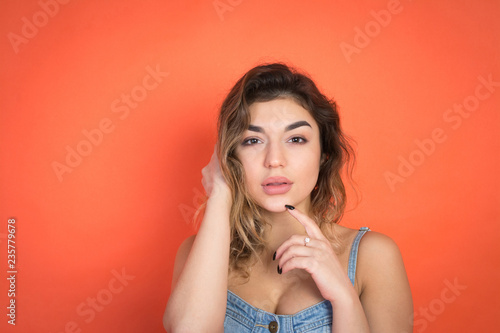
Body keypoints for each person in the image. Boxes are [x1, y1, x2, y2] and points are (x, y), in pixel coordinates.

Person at [163, 63, 413, 332]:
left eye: (295, 139)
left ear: (323, 155)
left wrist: (344, 297)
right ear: (230, 158)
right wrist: (220, 193)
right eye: (252, 140)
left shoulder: (373, 257)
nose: (274, 161)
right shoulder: (197, 254)